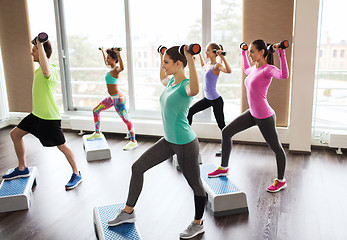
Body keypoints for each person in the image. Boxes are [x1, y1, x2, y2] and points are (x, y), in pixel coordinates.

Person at [107, 45, 207, 239]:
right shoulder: (171, 83)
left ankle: (198, 223)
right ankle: (128, 212)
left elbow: (195, 88)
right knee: (137, 168)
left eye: (167, 63)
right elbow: (162, 77)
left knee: (195, 184)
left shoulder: (185, 85)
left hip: (185, 144)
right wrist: (162, 55)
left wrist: (191, 58)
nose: (164, 66)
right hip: (169, 141)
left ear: (179, 64)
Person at [2, 33, 82, 190]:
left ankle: (76, 173)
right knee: (15, 134)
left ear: (42, 51)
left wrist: (39, 44)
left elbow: (47, 72)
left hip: (49, 118)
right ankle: (22, 168)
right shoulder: (38, 70)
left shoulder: (50, 70)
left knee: (62, 146)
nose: (32, 53)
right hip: (36, 115)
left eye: (34, 50)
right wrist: (38, 45)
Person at [208, 39, 289, 193]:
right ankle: (223, 167)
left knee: (276, 148)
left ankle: (281, 180)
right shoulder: (254, 69)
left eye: (252, 51)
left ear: (262, 52)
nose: (251, 54)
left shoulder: (268, 69)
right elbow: (246, 69)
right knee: (226, 132)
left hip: (265, 116)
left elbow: (284, 76)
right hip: (252, 113)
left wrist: (281, 52)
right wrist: (244, 53)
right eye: (250, 51)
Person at [86, 47, 137, 150]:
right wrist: (102, 52)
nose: (107, 60)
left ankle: (133, 141)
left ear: (114, 59)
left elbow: (122, 68)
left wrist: (119, 53)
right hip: (112, 98)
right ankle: (97, 133)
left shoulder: (116, 70)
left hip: (118, 99)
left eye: (109, 58)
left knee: (126, 120)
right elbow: (106, 62)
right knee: (96, 110)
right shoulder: (111, 68)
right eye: (107, 58)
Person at [187, 43, 231, 156]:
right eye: (206, 50)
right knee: (190, 112)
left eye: (208, 51)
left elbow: (228, 70)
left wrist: (222, 57)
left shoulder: (217, 66)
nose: (206, 52)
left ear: (214, 52)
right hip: (207, 99)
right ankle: (186, 140)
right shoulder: (207, 65)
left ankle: (226, 147)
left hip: (216, 100)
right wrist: (199, 53)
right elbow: (203, 66)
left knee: (222, 125)